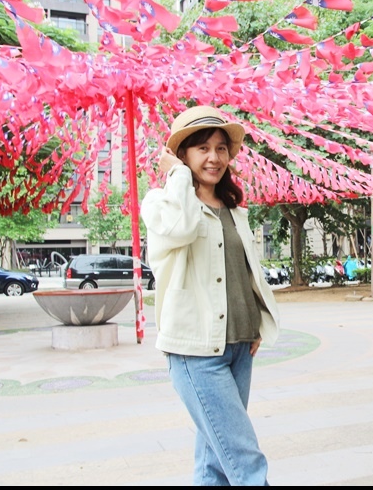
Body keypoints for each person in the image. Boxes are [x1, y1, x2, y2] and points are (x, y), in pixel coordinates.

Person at [140, 105, 280, 486]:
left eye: (221, 148)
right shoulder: (161, 204)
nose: (214, 157)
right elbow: (182, 228)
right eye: (202, 148)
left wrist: (255, 324)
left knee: (216, 462)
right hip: (196, 352)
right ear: (182, 154)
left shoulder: (234, 210)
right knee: (246, 462)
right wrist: (178, 177)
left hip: (238, 347)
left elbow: (245, 275)